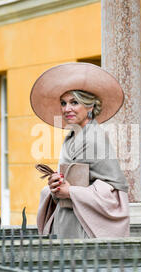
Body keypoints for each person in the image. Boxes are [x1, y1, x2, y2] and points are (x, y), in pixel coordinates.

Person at [30, 62, 130, 239]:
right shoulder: (72, 137)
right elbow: (70, 181)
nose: (66, 109)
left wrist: (71, 192)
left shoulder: (95, 138)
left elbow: (113, 191)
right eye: (63, 103)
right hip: (68, 218)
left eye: (74, 102)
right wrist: (55, 186)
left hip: (85, 226)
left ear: (90, 106)